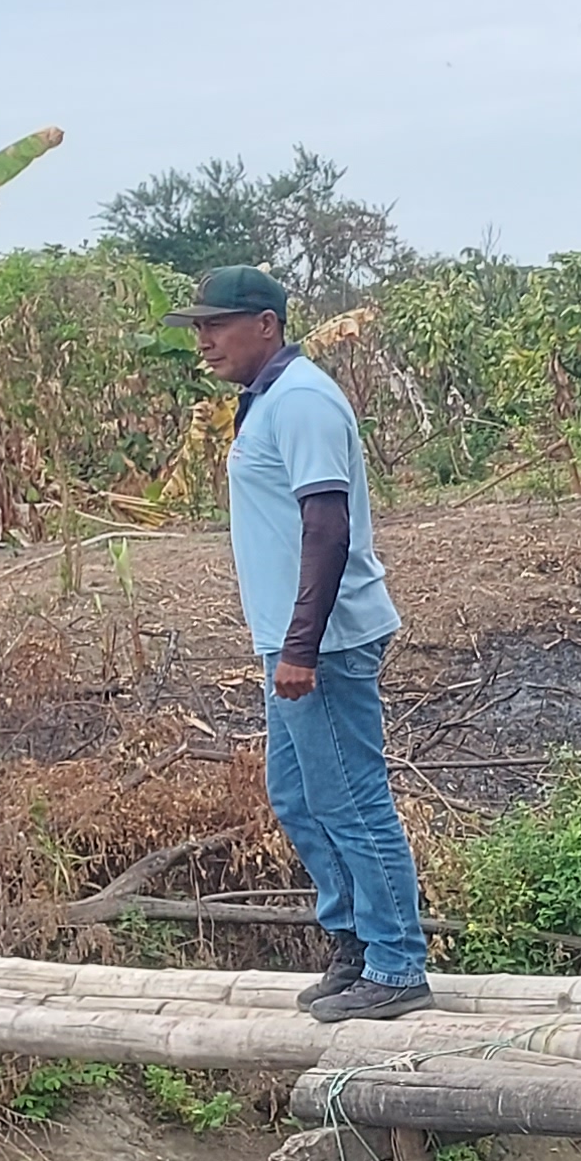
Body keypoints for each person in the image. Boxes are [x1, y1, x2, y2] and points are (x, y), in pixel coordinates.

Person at [167, 266, 432, 1021]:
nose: (204, 339)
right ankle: (356, 943)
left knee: (351, 799)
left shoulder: (303, 400)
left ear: (266, 325)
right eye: (198, 326)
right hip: (293, 640)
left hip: (325, 642)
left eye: (217, 324)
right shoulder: (269, 399)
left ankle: (397, 962)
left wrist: (301, 648)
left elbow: (328, 526)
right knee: (297, 796)